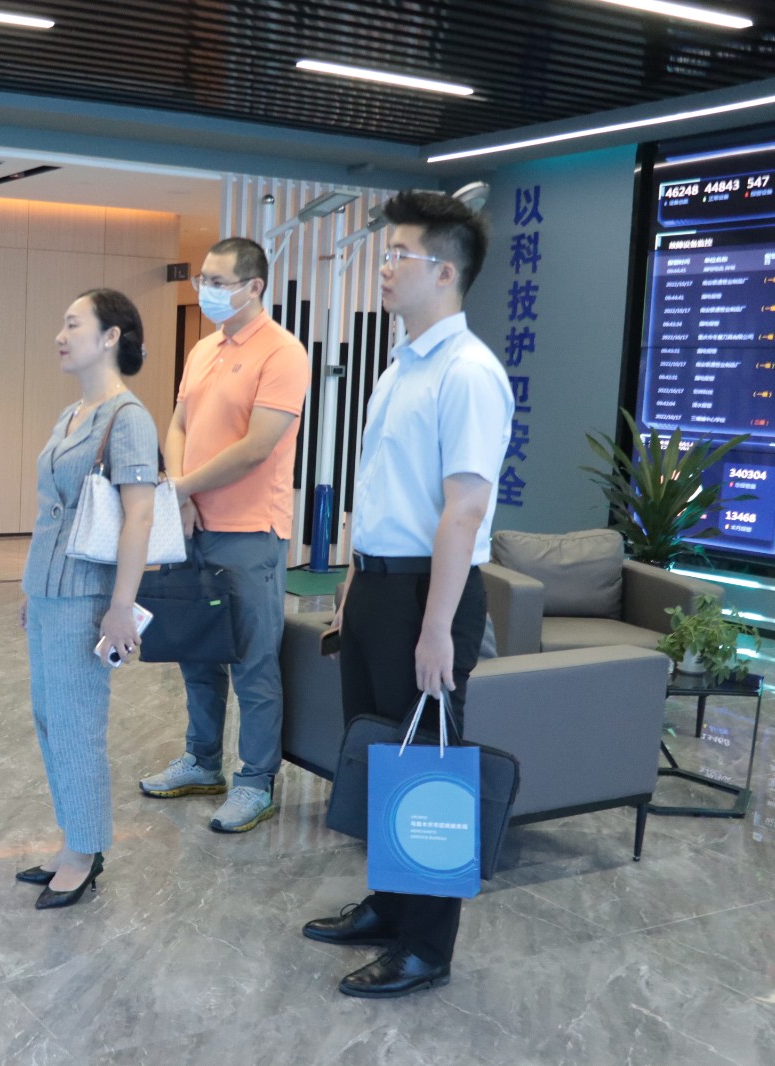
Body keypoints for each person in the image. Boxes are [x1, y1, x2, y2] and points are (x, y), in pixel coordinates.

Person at [301, 190, 511, 998]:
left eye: (399, 255)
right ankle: (390, 907)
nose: (384, 267)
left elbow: (464, 511)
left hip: (432, 595)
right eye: (385, 253)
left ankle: (427, 946)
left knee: (429, 766)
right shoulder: (400, 366)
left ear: (446, 272)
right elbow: (383, 494)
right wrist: (353, 588)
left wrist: (436, 629)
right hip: (378, 586)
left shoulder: (470, 373)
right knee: (385, 755)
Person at [136, 236, 310, 833]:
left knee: (253, 662)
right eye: (202, 280)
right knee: (196, 649)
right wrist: (181, 493)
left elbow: (257, 447)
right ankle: (202, 760)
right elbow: (179, 423)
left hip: (249, 531)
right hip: (192, 525)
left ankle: (255, 781)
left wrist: (180, 489)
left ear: (253, 287)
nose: (205, 290)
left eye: (217, 281)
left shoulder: (282, 352)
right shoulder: (204, 348)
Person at [17, 289, 157, 909]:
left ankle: (86, 850)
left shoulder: (128, 418)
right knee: (51, 719)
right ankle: (73, 837)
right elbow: (52, 510)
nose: (61, 335)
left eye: (73, 324)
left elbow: (140, 515)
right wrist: (34, 589)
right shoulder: (73, 414)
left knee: (77, 725)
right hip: (50, 590)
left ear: (110, 337)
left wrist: (122, 605)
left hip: (89, 597)